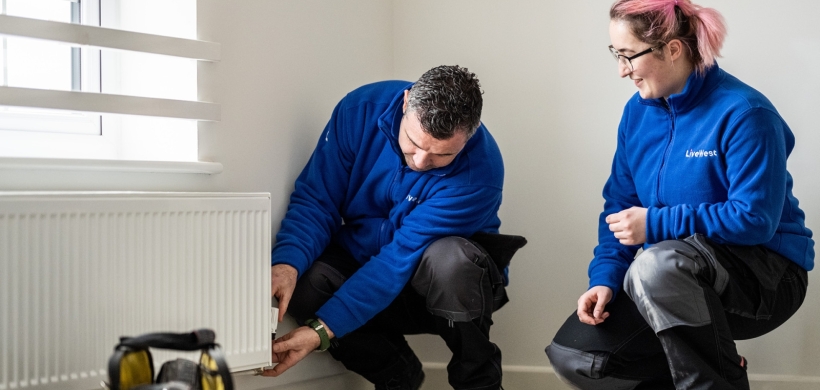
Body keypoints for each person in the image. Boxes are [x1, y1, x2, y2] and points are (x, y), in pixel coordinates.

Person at [545, 0, 814, 389]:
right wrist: (604, 277)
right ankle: (714, 366)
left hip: (767, 276)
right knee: (577, 357)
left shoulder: (746, 113)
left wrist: (654, 223)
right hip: (671, 273)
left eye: (628, 56)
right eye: (615, 55)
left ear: (672, 48)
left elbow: (754, 219)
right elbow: (620, 208)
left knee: (656, 266)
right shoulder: (637, 114)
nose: (621, 70)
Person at [260, 65, 524, 390]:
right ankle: (398, 375)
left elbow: (398, 257)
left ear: (470, 133)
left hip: (439, 291)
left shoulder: (480, 173)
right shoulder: (358, 111)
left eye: (442, 154)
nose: (421, 162)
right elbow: (319, 199)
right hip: (365, 263)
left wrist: (321, 331)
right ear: (405, 102)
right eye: (413, 142)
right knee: (306, 283)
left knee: (451, 261)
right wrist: (287, 263)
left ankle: (479, 384)